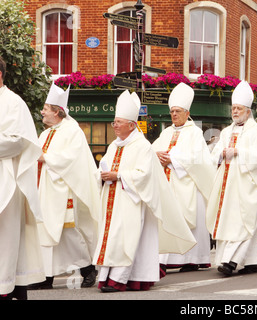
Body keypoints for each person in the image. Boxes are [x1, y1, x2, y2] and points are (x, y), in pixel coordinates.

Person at [93, 90, 196, 292]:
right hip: (112, 202)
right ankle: (106, 277)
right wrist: (102, 176)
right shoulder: (114, 145)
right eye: (114, 122)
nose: (114, 126)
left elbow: (144, 175)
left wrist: (119, 176)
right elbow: (103, 167)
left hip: (132, 202)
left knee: (126, 238)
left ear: (131, 125)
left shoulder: (142, 146)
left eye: (118, 123)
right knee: (112, 238)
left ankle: (119, 279)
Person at [206, 80, 257, 276]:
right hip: (228, 186)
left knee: (244, 223)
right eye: (233, 108)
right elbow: (214, 155)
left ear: (248, 111)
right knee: (231, 222)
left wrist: (238, 152)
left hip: (248, 184)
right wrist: (221, 153)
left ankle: (230, 261)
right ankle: (251, 262)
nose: (234, 112)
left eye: (239, 108)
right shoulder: (226, 132)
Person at [29, 83, 100, 290]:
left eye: (45, 108)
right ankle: (46, 276)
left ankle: (87, 268)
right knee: (44, 232)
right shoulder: (46, 133)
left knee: (67, 233)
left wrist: (45, 158)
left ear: (57, 112)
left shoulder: (72, 131)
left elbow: (72, 159)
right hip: (44, 188)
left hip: (63, 189)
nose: (42, 112)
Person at [153, 83, 215, 273]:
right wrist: (157, 156)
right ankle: (164, 258)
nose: (174, 115)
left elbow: (200, 160)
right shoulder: (166, 132)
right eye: (171, 111)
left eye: (177, 111)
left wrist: (172, 159)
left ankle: (191, 259)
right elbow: (152, 150)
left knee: (189, 222)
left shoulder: (195, 133)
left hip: (188, 186)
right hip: (167, 184)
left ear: (187, 113)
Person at [0, 56, 45, 300]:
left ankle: (5, 287)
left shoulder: (13, 102)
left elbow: (17, 142)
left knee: (6, 236)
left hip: (7, 177)